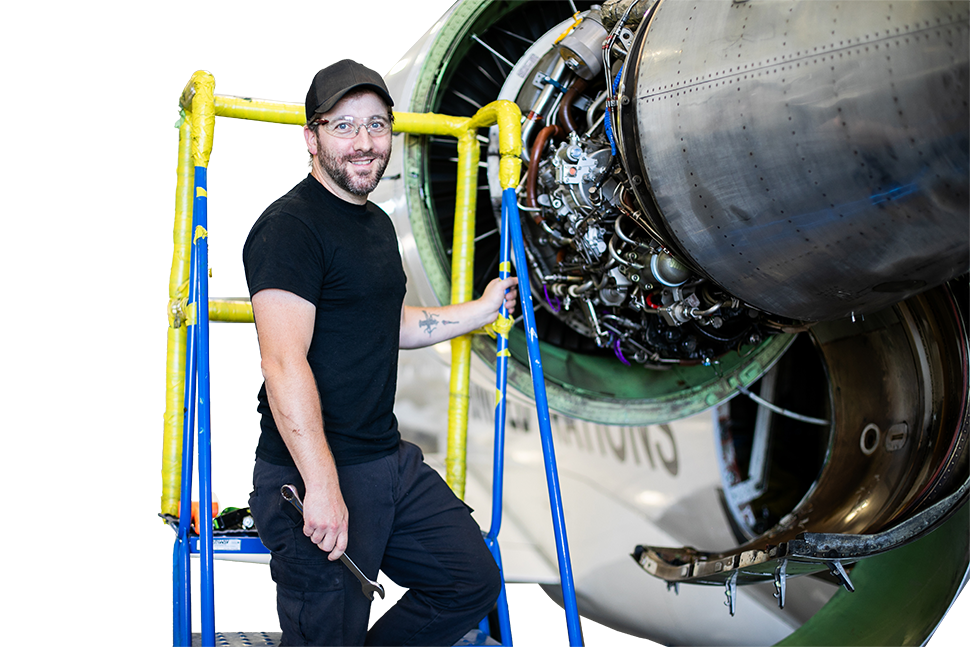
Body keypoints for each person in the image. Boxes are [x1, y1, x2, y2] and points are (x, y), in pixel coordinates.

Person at [243, 58, 518, 647]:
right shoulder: (289, 228)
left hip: (385, 460)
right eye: (343, 126)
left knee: (468, 581)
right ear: (311, 137)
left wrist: (484, 308)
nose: (365, 143)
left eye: (377, 124)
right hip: (309, 470)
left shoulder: (372, 226)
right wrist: (322, 486)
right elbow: (283, 362)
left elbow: (389, 323)